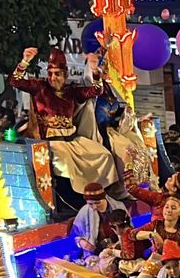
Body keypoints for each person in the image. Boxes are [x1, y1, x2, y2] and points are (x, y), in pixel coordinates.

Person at [9, 47, 120, 195]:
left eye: (57, 74)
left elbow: (96, 91)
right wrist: (24, 62)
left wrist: (94, 71)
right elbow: (15, 81)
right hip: (48, 143)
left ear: (65, 74)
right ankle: (74, 198)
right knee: (67, 164)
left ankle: (98, 193)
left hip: (71, 141)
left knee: (103, 155)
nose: (53, 78)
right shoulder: (40, 88)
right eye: (50, 74)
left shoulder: (71, 91)